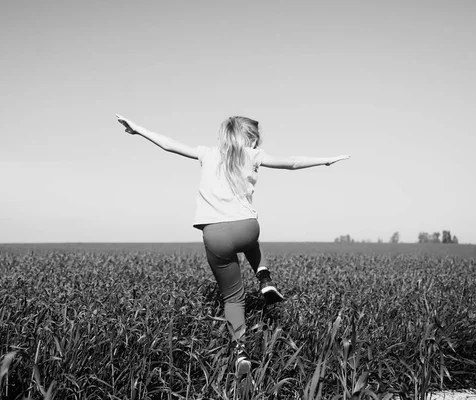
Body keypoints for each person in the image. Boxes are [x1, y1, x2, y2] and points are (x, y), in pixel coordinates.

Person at [116, 114, 350, 376]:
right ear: (250, 139)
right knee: (250, 239)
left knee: (233, 298)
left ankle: (240, 351)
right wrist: (325, 160)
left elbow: (169, 144)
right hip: (247, 228)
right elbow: (292, 162)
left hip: (215, 234)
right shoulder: (252, 155)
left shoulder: (206, 153)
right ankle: (264, 277)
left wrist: (137, 130)